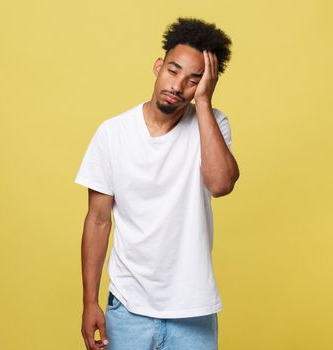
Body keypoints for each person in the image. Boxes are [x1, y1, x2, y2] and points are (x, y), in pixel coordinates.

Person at [75, 17, 239, 350]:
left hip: (193, 311)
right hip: (127, 308)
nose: (178, 86)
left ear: (206, 85)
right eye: (173, 71)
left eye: (194, 80)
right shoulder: (113, 133)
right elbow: (97, 220)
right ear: (158, 66)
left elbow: (221, 184)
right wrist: (90, 301)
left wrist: (203, 104)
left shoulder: (213, 124)